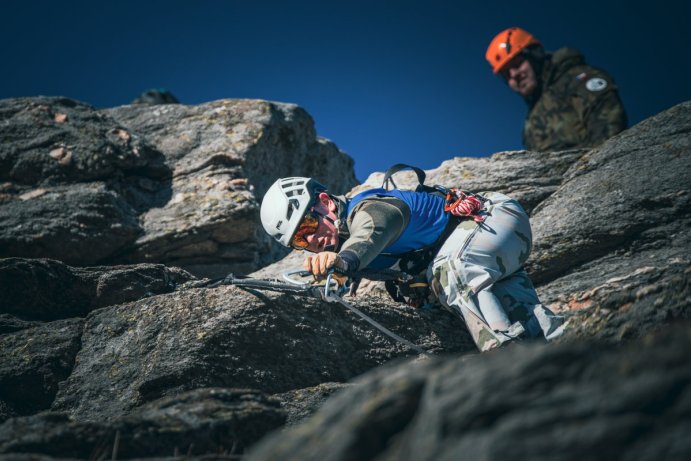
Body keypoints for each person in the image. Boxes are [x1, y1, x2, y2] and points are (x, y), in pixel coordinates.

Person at [260, 175, 565, 352]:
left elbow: (372, 231)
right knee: (527, 318)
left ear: (325, 202)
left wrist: (343, 261)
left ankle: (505, 354)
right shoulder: (353, 250)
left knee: (450, 270)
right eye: (300, 239)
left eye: (308, 225)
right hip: (487, 246)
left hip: (491, 220)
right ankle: (564, 348)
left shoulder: (367, 208)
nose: (311, 240)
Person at [486, 27, 627, 151]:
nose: (514, 75)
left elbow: (610, 129)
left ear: (535, 56)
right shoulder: (531, 122)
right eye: (506, 74)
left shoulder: (576, 80)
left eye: (517, 65)